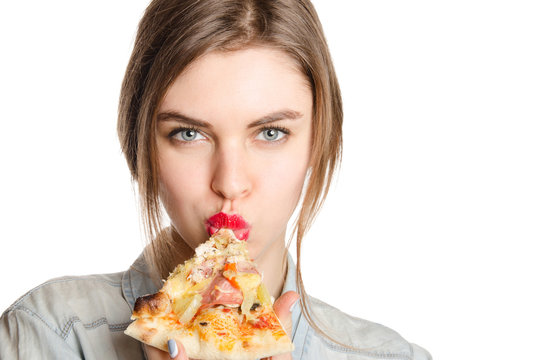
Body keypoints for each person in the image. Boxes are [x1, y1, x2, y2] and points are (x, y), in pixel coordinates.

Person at [0, 0, 431, 359]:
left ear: (319, 141)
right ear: (139, 147)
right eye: (189, 134)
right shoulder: (48, 334)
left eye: (270, 132)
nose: (230, 182)